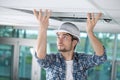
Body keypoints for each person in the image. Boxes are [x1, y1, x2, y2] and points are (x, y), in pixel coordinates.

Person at [33, 9, 107, 80]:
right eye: (58, 36)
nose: (59, 40)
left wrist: (90, 32)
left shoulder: (81, 61)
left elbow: (100, 57)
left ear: (74, 42)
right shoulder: (53, 60)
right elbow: (41, 58)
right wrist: (42, 28)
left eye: (64, 37)